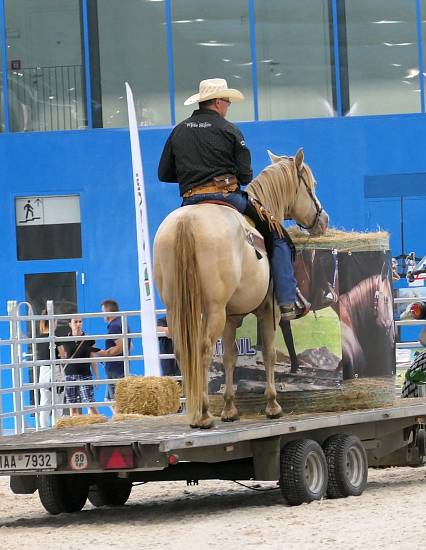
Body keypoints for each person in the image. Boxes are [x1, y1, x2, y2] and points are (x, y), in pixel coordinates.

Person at [157, 77, 300, 320]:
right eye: (228, 102)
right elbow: (245, 176)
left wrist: (192, 178)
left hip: (190, 200)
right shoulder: (230, 131)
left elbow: (164, 174)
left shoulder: (178, 131)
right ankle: (287, 302)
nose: (228, 107)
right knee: (279, 236)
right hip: (227, 197)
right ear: (218, 102)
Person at [58, 318, 99, 416]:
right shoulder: (64, 339)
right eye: (75, 322)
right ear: (70, 324)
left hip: (85, 374)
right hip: (69, 375)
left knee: (90, 403)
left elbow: (93, 359)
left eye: (80, 321)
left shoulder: (89, 339)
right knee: (73, 406)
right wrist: (61, 376)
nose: (78, 324)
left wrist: (97, 376)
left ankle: (97, 426)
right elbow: (62, 359)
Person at [94, 299, 124, 401]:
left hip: (115, 369)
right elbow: (130, 346)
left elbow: (120, 348)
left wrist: (103, 353)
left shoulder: (114, 327)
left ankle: (120, 417)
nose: (102, 314)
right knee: (108, 399)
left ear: (107, 311)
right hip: (118, 367)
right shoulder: (122, 323)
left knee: (115, 400)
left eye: (103, 311)